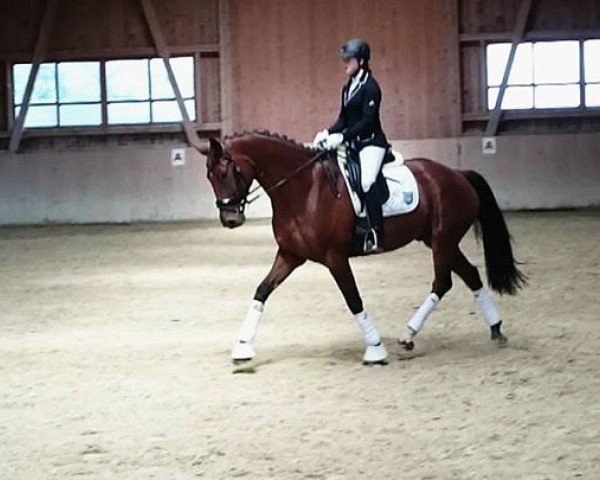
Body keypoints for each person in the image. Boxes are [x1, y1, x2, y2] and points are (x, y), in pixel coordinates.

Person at [313, 38, 389, 254]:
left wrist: (343, 137)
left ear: (362, 61)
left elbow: (367, 122)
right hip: (353, 144)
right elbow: (343, 119)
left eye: (349, 59)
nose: (345, 63)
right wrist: (328, 132)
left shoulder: (371, 87)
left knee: (366, 181)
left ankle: (377, 234)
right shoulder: (348, 88)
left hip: (372, 143)